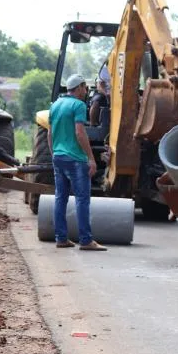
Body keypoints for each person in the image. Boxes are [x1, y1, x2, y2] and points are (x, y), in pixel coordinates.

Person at [47, 74, 107, 251]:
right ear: (79, 88)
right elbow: (80, 133)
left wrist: (54, 155)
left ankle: (61, 238)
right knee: (82, 199)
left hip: (58, 157)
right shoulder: (79, 105)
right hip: (76, 159)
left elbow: (50, 134)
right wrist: (90, 158)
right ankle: (86, 240)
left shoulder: (55, 105)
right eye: (84, 87)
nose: (86, 90)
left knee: (60, 198)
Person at [89, 62, 111, 127]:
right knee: (96, 101)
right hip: (104, 92)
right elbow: (99, 85)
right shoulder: (104, 69)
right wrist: (106, 93)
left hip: (118, 93)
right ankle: (93, 124)